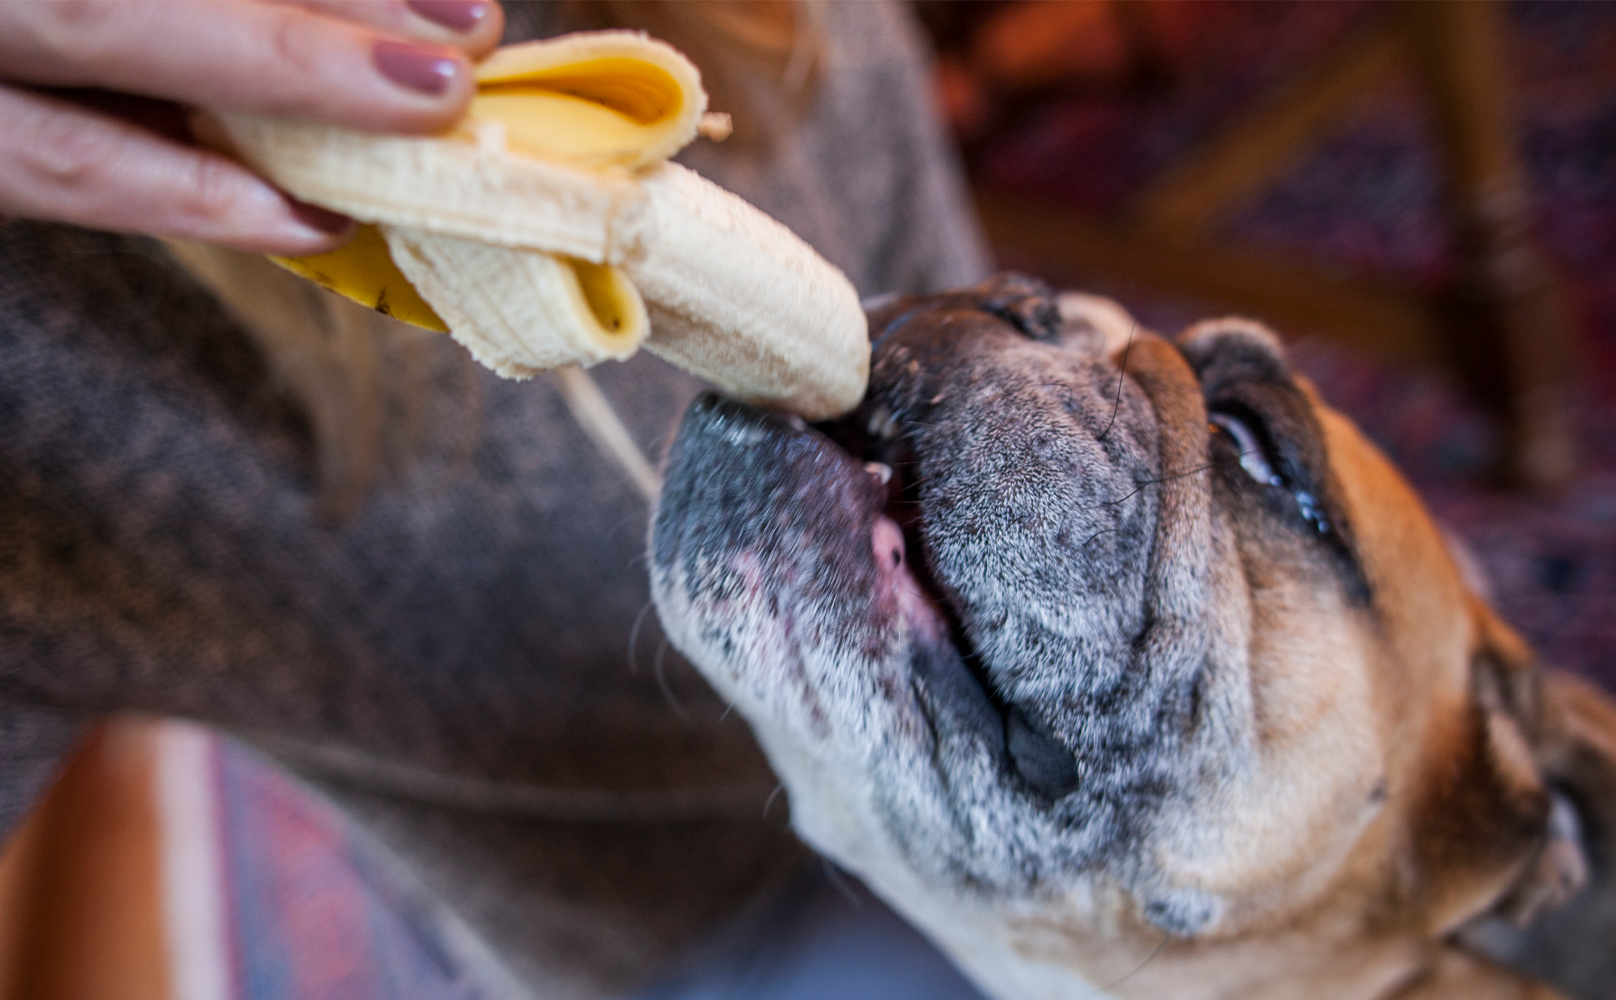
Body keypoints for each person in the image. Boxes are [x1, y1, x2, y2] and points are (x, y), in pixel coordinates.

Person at [0, 2, 990, 996]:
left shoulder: (819, 29)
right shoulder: (39, 347)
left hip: (962, 748)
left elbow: (964, 355)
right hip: (704, 909)